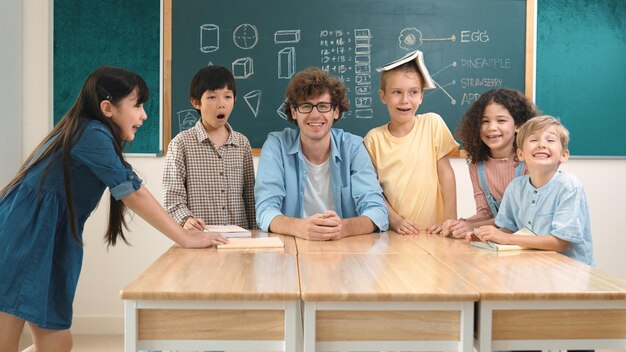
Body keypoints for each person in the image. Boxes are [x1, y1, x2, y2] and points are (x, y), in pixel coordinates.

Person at [0, 66, 228, 352]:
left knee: (57, 342)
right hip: (23, 233)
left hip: (50, 236)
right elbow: (134, 195)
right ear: (107, 108)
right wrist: (184, 237)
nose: (144, 115)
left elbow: (133, 190)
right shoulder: (90, 133)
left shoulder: (93, 134)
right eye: (137, 105)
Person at [254, 67, 388, 240]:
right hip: (292, 248)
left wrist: (343, 228)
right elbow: (265, 210)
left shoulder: (353, 148)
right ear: (294, 112)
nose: (315, 115)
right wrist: (300, 227)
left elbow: (377, 211)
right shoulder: (276, 146)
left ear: (336, 111)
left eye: (323, 106)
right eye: (306, 106)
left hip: (345, 248)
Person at [471, 115, 594, 266]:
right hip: (534, 267)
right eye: (534, 140)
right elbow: (509, 230)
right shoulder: (515, 188)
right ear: (520, 154)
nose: (541, 145)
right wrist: (487, 235)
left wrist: (506, 239)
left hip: (569, 273)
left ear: (563, 155)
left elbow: (561, 242)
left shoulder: (569, 186)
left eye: (550, 140)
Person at [364, 50, 458, 235]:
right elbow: (373, 190)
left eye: (413, 92)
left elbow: (446, 174)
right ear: (383, 96)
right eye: (396, 92)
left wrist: (450, 220)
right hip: (396, 233)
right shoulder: (374, 139)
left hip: (435, 232)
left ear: (421, 96)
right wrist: (395, 220)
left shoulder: (433, 124)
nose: (405, 100)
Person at [162, 65, 256, 230]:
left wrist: (256, 234)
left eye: (227, 96)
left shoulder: (242, 144)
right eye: (212, 97)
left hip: (240, 240)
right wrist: (186, 220)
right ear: (196, 102)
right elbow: (172, 198)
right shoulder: (181, 144)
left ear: (235, 100)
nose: (221, 104)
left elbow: (250, 198)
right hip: (199, 239)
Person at [441, 88, 538, 238]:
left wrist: (471, 226)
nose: (491, 127)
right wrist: (459, 224)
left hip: (530, 242)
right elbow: (485, 212)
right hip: (500, 245)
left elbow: (519, 218)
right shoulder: (476, 164)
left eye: (501, 120)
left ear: (518, 125)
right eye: (484, 121)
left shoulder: (530, 161)